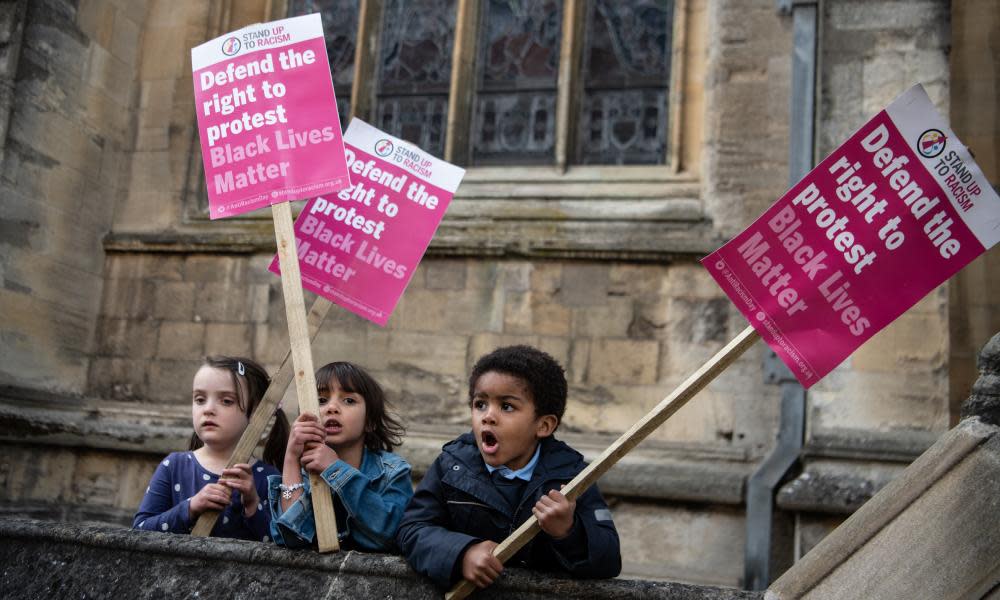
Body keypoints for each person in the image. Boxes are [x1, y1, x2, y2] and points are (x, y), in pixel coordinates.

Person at [396, 345, 621, 590]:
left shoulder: (572, 477)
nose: (488, 416)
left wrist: (567, 532)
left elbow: (608, 561)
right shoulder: (452, 466)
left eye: (507, 406)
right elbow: (412, 530)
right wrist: (461, 553)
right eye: (480, 404)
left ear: (544, 425)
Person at [133, 356, 289, 541]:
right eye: (200, 399)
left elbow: (281, 548)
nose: (208, 409)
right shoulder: (173, 466)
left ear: (256, 412)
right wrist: (190, 508)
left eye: (226, 401)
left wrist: (253, 505)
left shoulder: (268, 477)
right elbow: (139, 533)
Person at [268, 361, 413, 551]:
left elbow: (389, 534)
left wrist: (336, 470)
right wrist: (291, 458)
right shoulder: (301, 472)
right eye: (321, 400)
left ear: (369, 422)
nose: (332, 408)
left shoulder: (393, 471)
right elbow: (290, 538)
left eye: (349, 400)